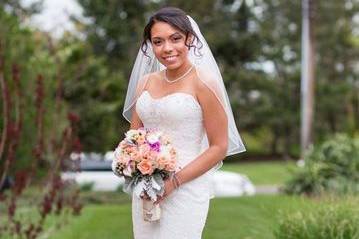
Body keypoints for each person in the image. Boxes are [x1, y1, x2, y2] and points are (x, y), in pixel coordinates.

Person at [122, 7, 246, 239]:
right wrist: (135, 166)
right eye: (158, 41)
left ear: (189, 39)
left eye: (175, 38)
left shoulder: (203, 83)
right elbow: (134, 138)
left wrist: (173, 182)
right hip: (147, 189)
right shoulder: (145, 83)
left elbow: (219, 147)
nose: (167, 48)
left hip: (186, 187)